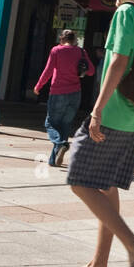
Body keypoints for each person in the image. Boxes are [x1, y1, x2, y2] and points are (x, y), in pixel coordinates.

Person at [61, 0, 134, 267]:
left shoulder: (127, 13)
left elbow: (118, 61)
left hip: (115, 113)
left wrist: (97, 110)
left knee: (78, 178)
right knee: (105, 185)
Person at [33, 29, 95, 167]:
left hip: (58, 92)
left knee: (50, 123)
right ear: (74, 39)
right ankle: (53, 160)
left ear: (61, 39)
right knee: (64, 125)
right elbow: (91, 71)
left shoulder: (56, 50)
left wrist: (38, 86)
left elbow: (48, 70)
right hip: (75, 93)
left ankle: (62, 144)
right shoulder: (81, 52)